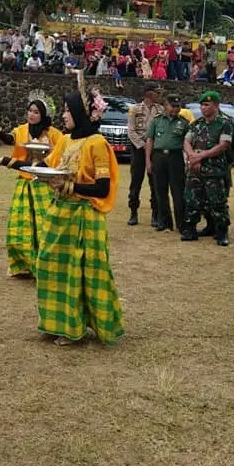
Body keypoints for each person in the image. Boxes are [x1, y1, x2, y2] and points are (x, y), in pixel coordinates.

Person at [33, 81, 124, 346]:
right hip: (60, 214)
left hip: (85, 216)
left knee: (81, 272)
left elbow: (102, 186)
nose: (63, 115)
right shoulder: (65, 140)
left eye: (68, 111)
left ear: (81, 113)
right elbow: (51, 168)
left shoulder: (97, 143)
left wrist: (69, 185)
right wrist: (33, 170)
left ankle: (74, 328)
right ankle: (55, 322)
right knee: (50, 265)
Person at [0, 92, 65, 278]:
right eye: (29, 111)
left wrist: (5, 161)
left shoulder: (54, 135)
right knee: (20, 226)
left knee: (43, 225)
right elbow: (9, 139)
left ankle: (45, 265)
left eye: (36, 112)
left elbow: (55, 160)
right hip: (24, 184)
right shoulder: (23, 130)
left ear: (43, 115)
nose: (31, 115)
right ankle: (22, 263)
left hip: (44, 186)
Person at [179, 91, 234, 246]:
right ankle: (190, 230)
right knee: (192, 200)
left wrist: (201, 156)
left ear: (216, 106)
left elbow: (224, 145)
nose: (203, 108)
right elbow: (186, 141)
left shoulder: (225, 123)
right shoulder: (197, 124)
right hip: (195, 170)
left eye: (207, 105)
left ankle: (221, 232)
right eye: (202, 105)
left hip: (214, 170)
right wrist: (192, 156)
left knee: (217, 202)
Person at [144, 94, 188, 232]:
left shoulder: (184, 123)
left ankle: (182, 223)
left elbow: (187, 143)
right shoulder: (157, 121)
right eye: (173, 106)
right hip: (159, 157)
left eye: (178, 106)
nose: (176, 109)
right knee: (160, 191)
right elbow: (149, 141)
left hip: (175, 157)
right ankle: (164, 222)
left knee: (178, 192)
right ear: (165, 106)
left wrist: (187, 160)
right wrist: (148, 160)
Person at [126, 83, 163, 226]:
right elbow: (131, 130)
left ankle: (155, 213)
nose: (158, 95)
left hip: (154, 149)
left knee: (155, 182)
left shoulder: (160, 110)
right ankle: (133, 212)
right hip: (138, 149)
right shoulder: (134, 109)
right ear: (149, 94)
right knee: (136, 182)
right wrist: (142, 145)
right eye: (156, 93)